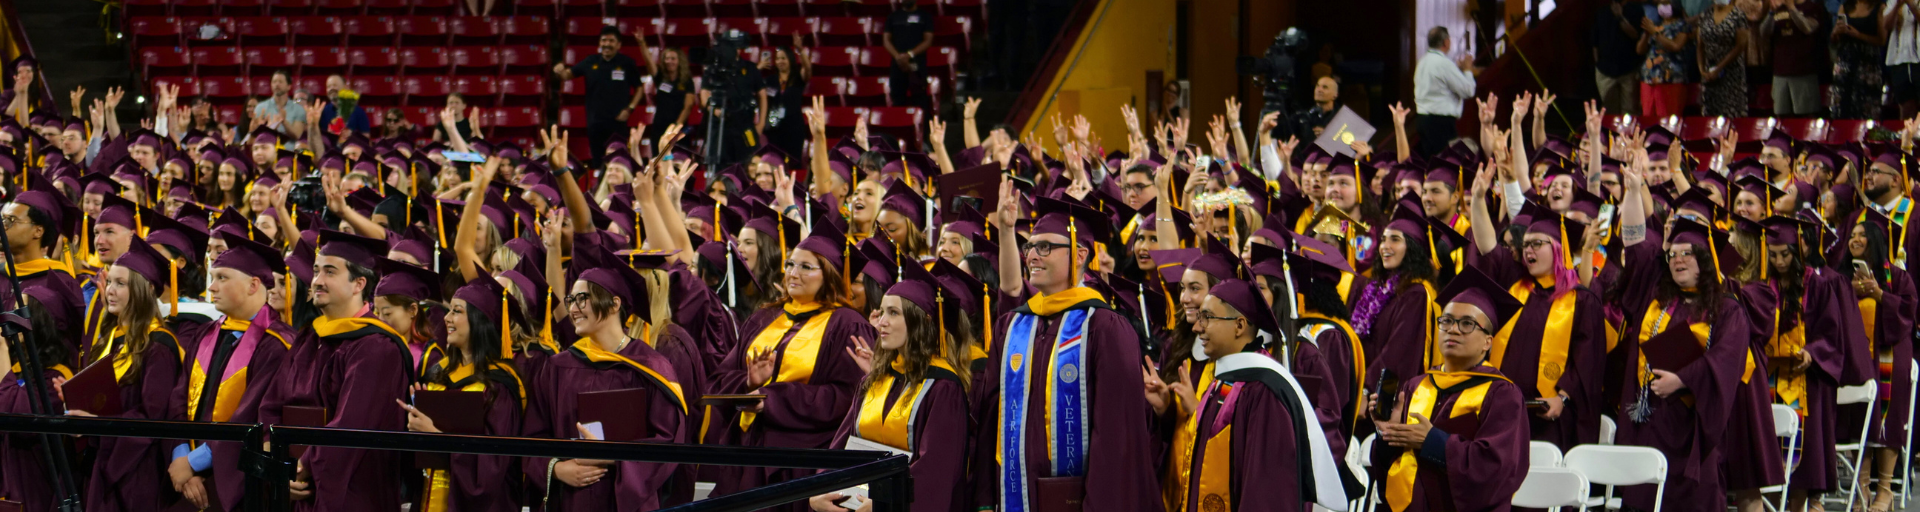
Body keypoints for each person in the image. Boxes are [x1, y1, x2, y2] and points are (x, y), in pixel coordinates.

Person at [970, 193, 1161, 511]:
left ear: (1079, 253)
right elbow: (993, 420)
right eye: (1030, 247)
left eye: (1045, 247)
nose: (1032, 255)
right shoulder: (1012, 327)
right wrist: (986, 500)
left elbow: (1116, 437)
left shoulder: (1106, 329)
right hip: (1015, 497)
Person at [1613, 155, 1754, 512]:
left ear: (1707, 260)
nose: (1677, 260)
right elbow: (1635, 244)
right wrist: (1632, 190)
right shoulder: (1656, 295)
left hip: (1694, 427)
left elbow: (1724, 364)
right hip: (1648, 419)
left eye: (1688, 254)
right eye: (1673, 254)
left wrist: (1681, 380)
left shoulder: (1728, 310)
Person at [709, 221, 875, 510]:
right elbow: (719, 379)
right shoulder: (764, 318)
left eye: (806, 267)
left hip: (802, 460)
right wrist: (749, 383)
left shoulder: (848, 324)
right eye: (789, 264)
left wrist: (774, 399)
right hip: (747, 453)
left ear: (830, 275)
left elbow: (849, 398)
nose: (793, 273)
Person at [1153, 277, 1355, 512]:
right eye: (1199, 317)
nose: (1198, 327)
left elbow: (1265, 493)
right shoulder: (1226, 380)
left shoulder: (1263, 390)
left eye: (1207, 317)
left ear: (1239, 326)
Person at [522, 244, 691, 510]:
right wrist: (556, 469)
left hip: (624, 503)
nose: (573, 309)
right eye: (570, 300)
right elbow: (533, 435)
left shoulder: (650, 367)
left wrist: (613, 456)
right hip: (570, 500)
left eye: (582, 299)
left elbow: (667, 442)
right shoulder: (557, 367)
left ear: (614, 304)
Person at [808, 262, 972, 512]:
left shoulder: (942, 387)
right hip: (857, 504)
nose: (881, 322)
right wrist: (821, 487)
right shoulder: (874, 380)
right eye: (881, 312)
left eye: (894, 313)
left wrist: (887, 506)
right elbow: (842, 445)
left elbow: (936, 470)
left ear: (922, 321)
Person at [1367, 266, 1531, 512]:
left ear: (1488, 341)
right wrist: (1386, 435)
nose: (1453, 329)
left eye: (1466, 324)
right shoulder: (1416, 385)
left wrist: (1433, 442)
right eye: (1447, 321)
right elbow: (1393, 466)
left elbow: (1498, 470)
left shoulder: (1502, 395)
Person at [280, 230, 413, 511]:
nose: (317, 281)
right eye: (316, 271)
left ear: (359, 284)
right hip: (297, 487)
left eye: (330, 272)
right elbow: (273, 404)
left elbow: (351, 424)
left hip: (352, 494)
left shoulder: (378, 347)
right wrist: (277, 465)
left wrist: (301, 466)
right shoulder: (308, 339)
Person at [1466, 193, 1607, 449]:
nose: (1528, 249)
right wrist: (1478, 199)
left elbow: (1587, 361)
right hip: (1503, 411)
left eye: (1537, 244)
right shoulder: (1514, 286)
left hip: (1551, 416)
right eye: (1526, 244)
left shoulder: (1582, 301)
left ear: (1558, 249)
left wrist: (1562, 398)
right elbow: (1488, 247)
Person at [169, 233, 293, 512]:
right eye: (212, 276)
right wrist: (181, 456)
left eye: (222, 277)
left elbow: (251, 418)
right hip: (186, 474)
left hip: (238, 481)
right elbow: (178, 399)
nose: (211, 287)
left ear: (253, 285)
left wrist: (192, 464)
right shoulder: (207, 333)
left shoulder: (277, 345)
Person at [70, 236, 187, 512]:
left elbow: (151, 418)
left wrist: (97, 424)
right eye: (110, 281)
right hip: (100, 463)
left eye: (121, 284)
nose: (110, 290)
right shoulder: (110, 339)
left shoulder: (159, 346)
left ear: (145, 289)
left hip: (135, 473)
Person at [399, 276, 525, 512]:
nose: (446, 319)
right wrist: (414, 421)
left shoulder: (498, 385)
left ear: (481, 321)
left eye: (456, 311)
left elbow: (490, 469)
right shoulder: (437, 374)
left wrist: (436, 437)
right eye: (448, 311)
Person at [0, 290, 74, 512]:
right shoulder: (18, 368)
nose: (10, 318)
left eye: (20, 311)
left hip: (33, 487)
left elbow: (14, 417)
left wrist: (1, 351)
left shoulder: (55, 378)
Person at [553, 25, 643, 165]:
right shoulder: (590, 61)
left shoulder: (627, 63)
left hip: (618, 122)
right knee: (598, 162)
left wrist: (630, 109)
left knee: (619, 161)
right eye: (604, 40)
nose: (607, 44)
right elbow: (567, 75)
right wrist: (559, 71)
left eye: (611, 41)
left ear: (619, 45)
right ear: (600, 43)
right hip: (595, 122)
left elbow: (639, 88)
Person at [1413, 27, 1477, 157]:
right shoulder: (1443, 63)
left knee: (1430, 164)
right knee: (1446, 164)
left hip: (1422, 120)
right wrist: (1467, 70)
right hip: (1440, 123)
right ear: (1446, 42)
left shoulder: (1422, 62)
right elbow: (1468, 90)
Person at [1760, 0, 1827, 117]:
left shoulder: (1812, 7)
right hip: (1780, 73)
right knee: (1781, 117)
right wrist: (1771, 13)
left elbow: (1808, 28)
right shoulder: (1778, 9)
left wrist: (1792, 8)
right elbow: (1763, 33)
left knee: (1804, 118)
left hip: (1803, 73)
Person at [634, 32, 695, 157]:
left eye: (673, 58)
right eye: (667, 58)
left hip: (678, 130)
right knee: (659, 161)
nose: (669, 61)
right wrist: (642, 43)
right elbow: (649, 63)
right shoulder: (661, 78)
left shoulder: (687, 81)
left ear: (679, 61)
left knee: (678, 161)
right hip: (660, 127)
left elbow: (688, 105)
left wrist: (676, 128)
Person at [1831, 0, 1888, 119]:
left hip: (1867, 65)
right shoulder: (1845, 7)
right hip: (1845, 63)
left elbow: (1881, 40)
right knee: (1842, 106)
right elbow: (1834, 40)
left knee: (1865, 107)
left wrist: (1858, 35)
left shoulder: (1879, 7)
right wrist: (1836, 32)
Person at [761, 40, 814, 163]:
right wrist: (758, 67)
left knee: (793, 161)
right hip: (774, 127)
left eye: (783, 58)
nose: (780, 62)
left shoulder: (797, 78)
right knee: (774, 161)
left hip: (794, 127)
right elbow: (752, 87)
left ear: (790, 59)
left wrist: (801, 51)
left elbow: (807, 69)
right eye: (778, 59)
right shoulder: (770, 80)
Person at [1638, 0, 1693, 118]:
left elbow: (1676, 46)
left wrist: (1655, 33)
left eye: (1666, 3)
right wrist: (1647, 34)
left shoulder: (1683, 26)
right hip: (1649, 79)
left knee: (1668, 121)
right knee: (1648, 120)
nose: (1662, 6)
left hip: (1670, 80)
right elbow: (1640, 50)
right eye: (1660, 4)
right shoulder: (1656, 25)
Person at [1697, 0, 1751, 117]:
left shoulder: (1738, 16)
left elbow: (1741, 45)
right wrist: (1702, 70)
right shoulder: (1705, 15)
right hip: (1709, 75)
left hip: (1731, 73)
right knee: (1709, 117)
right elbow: (1700, 45)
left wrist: (1719, 68)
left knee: (1731, 115)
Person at [1595, 0, 1646, 115]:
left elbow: (1636, 35)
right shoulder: (1602, 11)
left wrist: (1619, 16)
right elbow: (1595, 43)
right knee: (1608, 111)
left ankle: (1628, 133)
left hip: (1629, 70)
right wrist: (1598, 64)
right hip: (1605, 72)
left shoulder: (1635, 9)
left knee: (1630, 111)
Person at [883, 0, 935, 111]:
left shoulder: (925, 16)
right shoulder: (893, 17)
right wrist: (898, 57)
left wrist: (909, 55)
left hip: (917, 65)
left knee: (920, 100)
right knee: (897, 100)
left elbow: (928, 40)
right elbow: (886, 40)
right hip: (898, 65)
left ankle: (922, 127)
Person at [1885, 0, 1920, 117]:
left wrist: (1911, 5)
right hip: (1899, 60)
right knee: (1906, 108)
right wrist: (1897, 6)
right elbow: (1886, 25)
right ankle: (1907, 135)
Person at [253, 70, 307, 138]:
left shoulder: (298, 109)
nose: (277, 84)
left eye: (280, 82)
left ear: (289, 86)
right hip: (268, 147)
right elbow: (255, 136)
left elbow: (297, 135)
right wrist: (268, 128)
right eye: (274, 82)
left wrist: (284, 122)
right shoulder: (260, 107)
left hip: (290, 148)